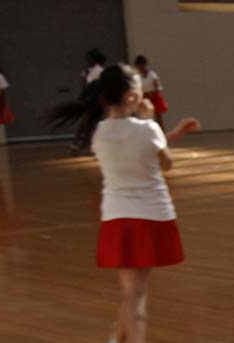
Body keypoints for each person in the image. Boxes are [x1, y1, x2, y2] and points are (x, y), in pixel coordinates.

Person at [80, 64, 202, 343]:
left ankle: (116, 339)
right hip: (151, 216)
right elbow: (165, 164)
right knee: (137, 297)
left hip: (116, 218)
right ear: (130, 96)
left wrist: (168, 133)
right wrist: (156, 126)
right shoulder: (148, 129)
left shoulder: (98, 134)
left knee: (131, 295)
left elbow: (134, 148)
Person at [70, 49, 110, 156]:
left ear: (94, 59)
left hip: (96, 99)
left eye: (89, 58)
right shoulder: (87, 71)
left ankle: (84, 145)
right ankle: (78, 144)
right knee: (87, 122)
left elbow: (100, 86)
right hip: (89, 99)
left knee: (92, 123)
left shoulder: (99, 71)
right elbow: (84, 86)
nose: (87, 60)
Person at [134, 56, 168, 128]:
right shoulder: (136, 76)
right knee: (144, 118)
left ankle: (162, 134)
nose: (141, 67)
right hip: (143, 97)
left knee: (159, 118)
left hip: (154, 96)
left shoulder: (152, 74)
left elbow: (157, 87)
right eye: (139, 65)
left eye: (142, 65)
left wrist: (151, 95)